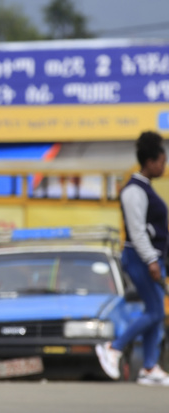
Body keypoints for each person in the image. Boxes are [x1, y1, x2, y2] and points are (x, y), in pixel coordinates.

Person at [96, 131, 169, 386]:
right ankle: (114, 348)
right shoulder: (133, 190)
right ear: (150, 162)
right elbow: (136, 231)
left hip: (150, 259)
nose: (164, 165)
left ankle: (149, 368)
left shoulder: (145, 188)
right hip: (139, 258)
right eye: (162, 160)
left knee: (155, 312)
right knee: (154, 311)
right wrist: (151, 260)